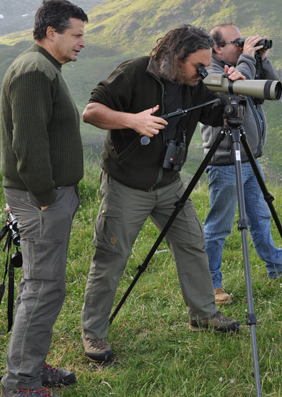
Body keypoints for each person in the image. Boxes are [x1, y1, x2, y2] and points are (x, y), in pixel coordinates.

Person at [79, 24, 245, 364]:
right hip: (127, 185)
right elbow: (91, 111)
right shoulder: (135, 72)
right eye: (198, 65)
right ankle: (93, 332)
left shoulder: (194, 83)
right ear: (176, 56)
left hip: (169, 183)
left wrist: (233, 92)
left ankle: (203, 314)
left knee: (192, 244)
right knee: (112, 257)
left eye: (206, 65)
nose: (203, 72)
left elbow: (217, 115)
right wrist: (132, 120)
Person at [0, 0, 87, 397]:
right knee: (44, 286)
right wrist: (47, 198)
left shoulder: (44, 67)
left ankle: (30, 364)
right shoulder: (35, 71)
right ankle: (21, 383)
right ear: (52, 33)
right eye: (76, 34)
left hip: (44, 198)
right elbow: (28, 145)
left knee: (43, 284)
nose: (82, 42)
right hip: (42, 201)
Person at [201, 23, 282, 306]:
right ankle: (210, 285)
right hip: (225, 160)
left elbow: (266, 91)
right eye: (236, 43)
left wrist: (261, 60)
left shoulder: (242, 65)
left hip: (250, 156)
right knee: (219, 226)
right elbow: (232, 94)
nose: (241, 46)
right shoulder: (211, 73)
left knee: (260, 216)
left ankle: (278, 267)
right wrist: (248, 58)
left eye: (243, 41)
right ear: (217, 48)